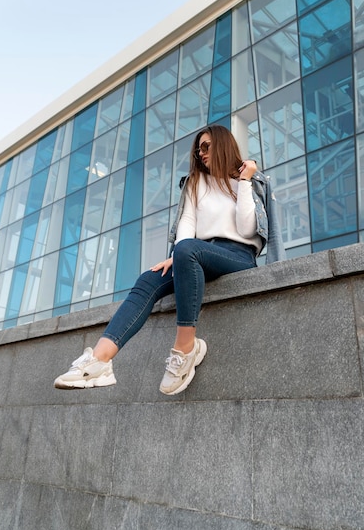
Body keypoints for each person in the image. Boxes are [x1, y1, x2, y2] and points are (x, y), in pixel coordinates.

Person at [54, 124, 285, 395]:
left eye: (206, 147)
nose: (201, 154)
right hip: (197, 253)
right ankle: (100, 361)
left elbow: (248, 230)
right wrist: (178, 256)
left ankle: (185, 349)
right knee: (149, 278)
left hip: (238, 256)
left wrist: (244, 180)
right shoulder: (194, 183)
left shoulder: (253, 180)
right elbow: (187, 222)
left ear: (223, 144)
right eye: (198, 150)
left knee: (187, 249)